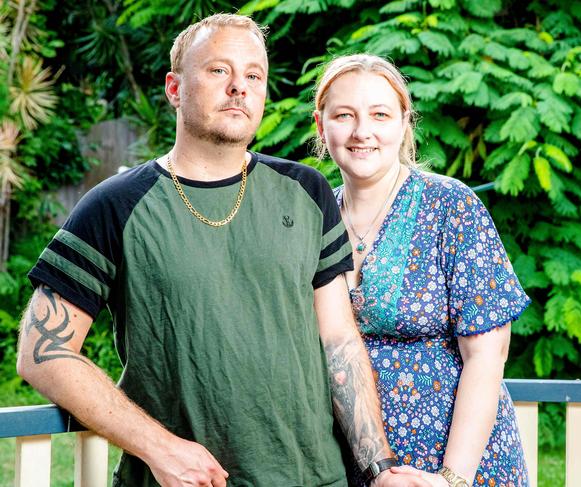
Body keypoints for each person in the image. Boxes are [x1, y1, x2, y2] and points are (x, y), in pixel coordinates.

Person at [16, 16, 431, 487]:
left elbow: (339, 341)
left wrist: (378, 467)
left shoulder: (306, 191)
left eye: (254, 75)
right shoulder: (115, 205)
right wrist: (160, 448)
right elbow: (41, 352)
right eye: (218, 71)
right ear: (175, 88)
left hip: (315, 478)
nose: (239, 87)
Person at [313, 54, 531, 487]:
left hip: (455, 463)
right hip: (352, 462)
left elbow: (487, 356)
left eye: (380, 114)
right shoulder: (313, 216)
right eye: (344, 115)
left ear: (403, 123)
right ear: (321, 125)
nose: (362, 132)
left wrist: (451, 478)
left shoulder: (451, 206)